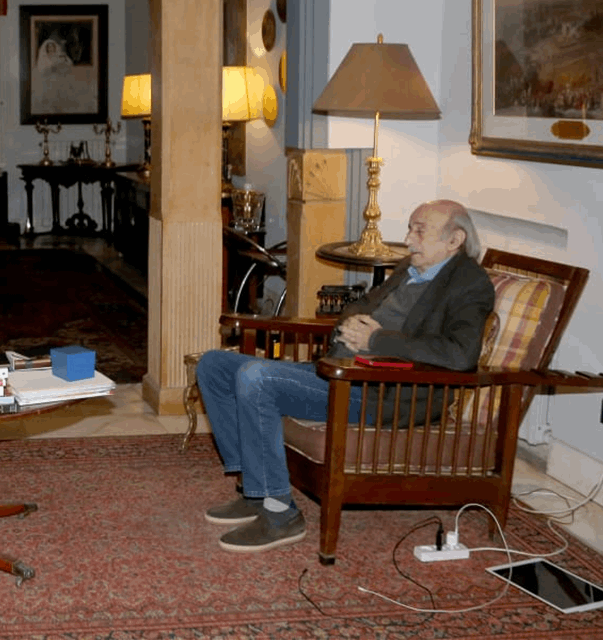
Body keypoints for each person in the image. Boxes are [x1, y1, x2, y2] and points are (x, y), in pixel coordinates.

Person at [195, 200, 494, 553]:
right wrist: (351, 323)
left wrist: (375, 340)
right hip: (339, 373)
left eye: (419, 231)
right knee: (213, 365)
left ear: (454, 239)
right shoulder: (410, 268)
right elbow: (361, 304)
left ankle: (279, 514)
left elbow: (460, 354)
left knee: (255, 376)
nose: (408, 239)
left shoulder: (470, 284)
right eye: (410, 228)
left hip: (384, 392)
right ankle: (254, 490)